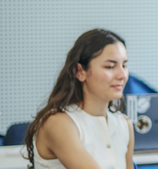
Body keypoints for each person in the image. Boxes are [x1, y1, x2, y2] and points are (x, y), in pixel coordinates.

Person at [23, 29, 135, 169]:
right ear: (80, 72)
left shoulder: (124, 123)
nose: (122, 75)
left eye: (124, 65)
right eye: (110, 66)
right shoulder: (58, 123)